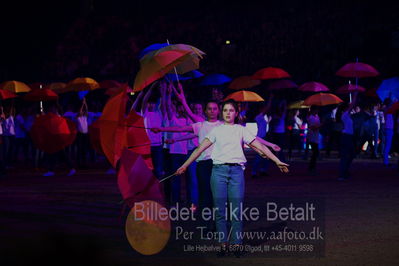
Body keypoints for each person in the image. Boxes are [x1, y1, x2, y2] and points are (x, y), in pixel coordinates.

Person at [175, 99, 289, 257]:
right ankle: (223, 244)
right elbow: (198, 149)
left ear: (236, 113)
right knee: (220, 211)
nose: (228, 113)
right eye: (225, 110)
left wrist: (277, 161)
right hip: (218, 172)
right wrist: (185, 165)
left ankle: (237, 244)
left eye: (231, 110)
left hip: (236, 173)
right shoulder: (216, 131)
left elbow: (259, 146)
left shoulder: (241, 130)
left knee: (236, 210)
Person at [307, 106, 321, 173]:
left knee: (315, 153)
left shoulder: (317, 116)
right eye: (316, 109)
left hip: (316, 137)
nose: (317, 111)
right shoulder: (311, 117)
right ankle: (311, 167)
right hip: (312, 137)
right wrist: (320, 125)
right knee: (315, 152)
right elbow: (312, 127)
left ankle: (312, 167)